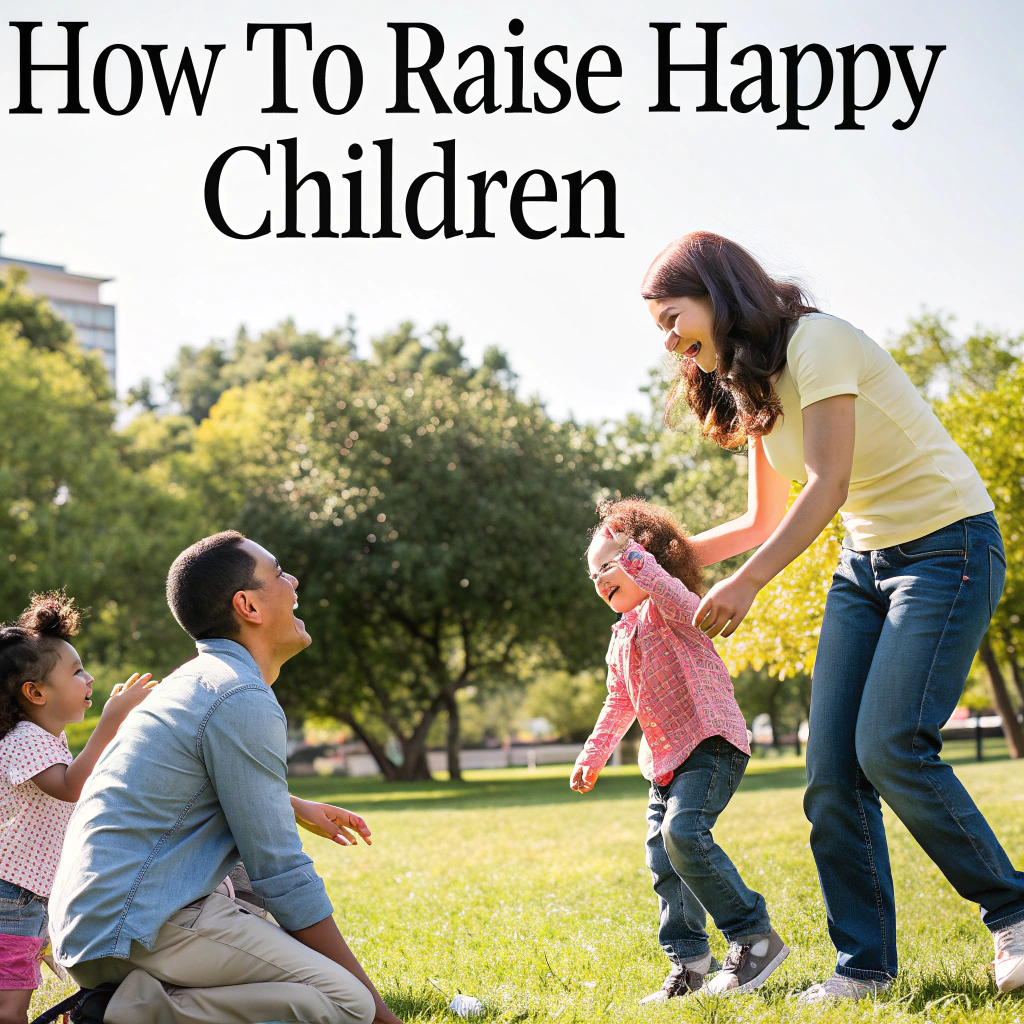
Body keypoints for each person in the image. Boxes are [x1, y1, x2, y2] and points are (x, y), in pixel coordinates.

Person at [641, 230, 1024, 1001]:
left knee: (890, 746)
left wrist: (749, 585)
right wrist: (653, 567)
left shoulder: (818, 342)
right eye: (660, 328)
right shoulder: (752, 384)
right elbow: (757, 519)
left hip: (947, 545)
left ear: (718, 296)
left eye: (673, 317)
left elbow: (829, 483)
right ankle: (866, 969)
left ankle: (1014, 914)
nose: (670, 340)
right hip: (868, 566)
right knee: (832, 777)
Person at [49, 531, 401, 1024]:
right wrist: (384, 1017)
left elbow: (184, 784)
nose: (294, 582)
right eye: (279, 574)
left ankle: (136, 1001)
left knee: (305, 991)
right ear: (248, 606)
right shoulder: (237, 696)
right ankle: (121, 1015)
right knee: (347, 1004)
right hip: (142, 925)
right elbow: (282, 875)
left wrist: (292, 805)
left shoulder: (197, 682)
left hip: (98, 925)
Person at [570, 498, 789, 1002]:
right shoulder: (620, 636)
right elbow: (618, 700)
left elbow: (692, 610)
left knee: (683, 833)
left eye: (609, 564)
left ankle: (755, 936)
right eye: (594, 574)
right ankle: (690, 963)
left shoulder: (671, 601)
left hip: (711, 743)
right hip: (666, 762)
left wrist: (640, 563)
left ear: (642, 556)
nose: (601, 579)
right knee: (662, 856)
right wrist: (593, 753)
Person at [0, 592, 154, 1024]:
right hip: (9, 894)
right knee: (9, 1009)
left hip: (26, 893)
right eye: (76, 671)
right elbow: (69, 788)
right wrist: (111, 721)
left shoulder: (51, 739)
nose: (88, 679)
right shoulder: (24, 741)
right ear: (35, 692)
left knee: (14, 998)